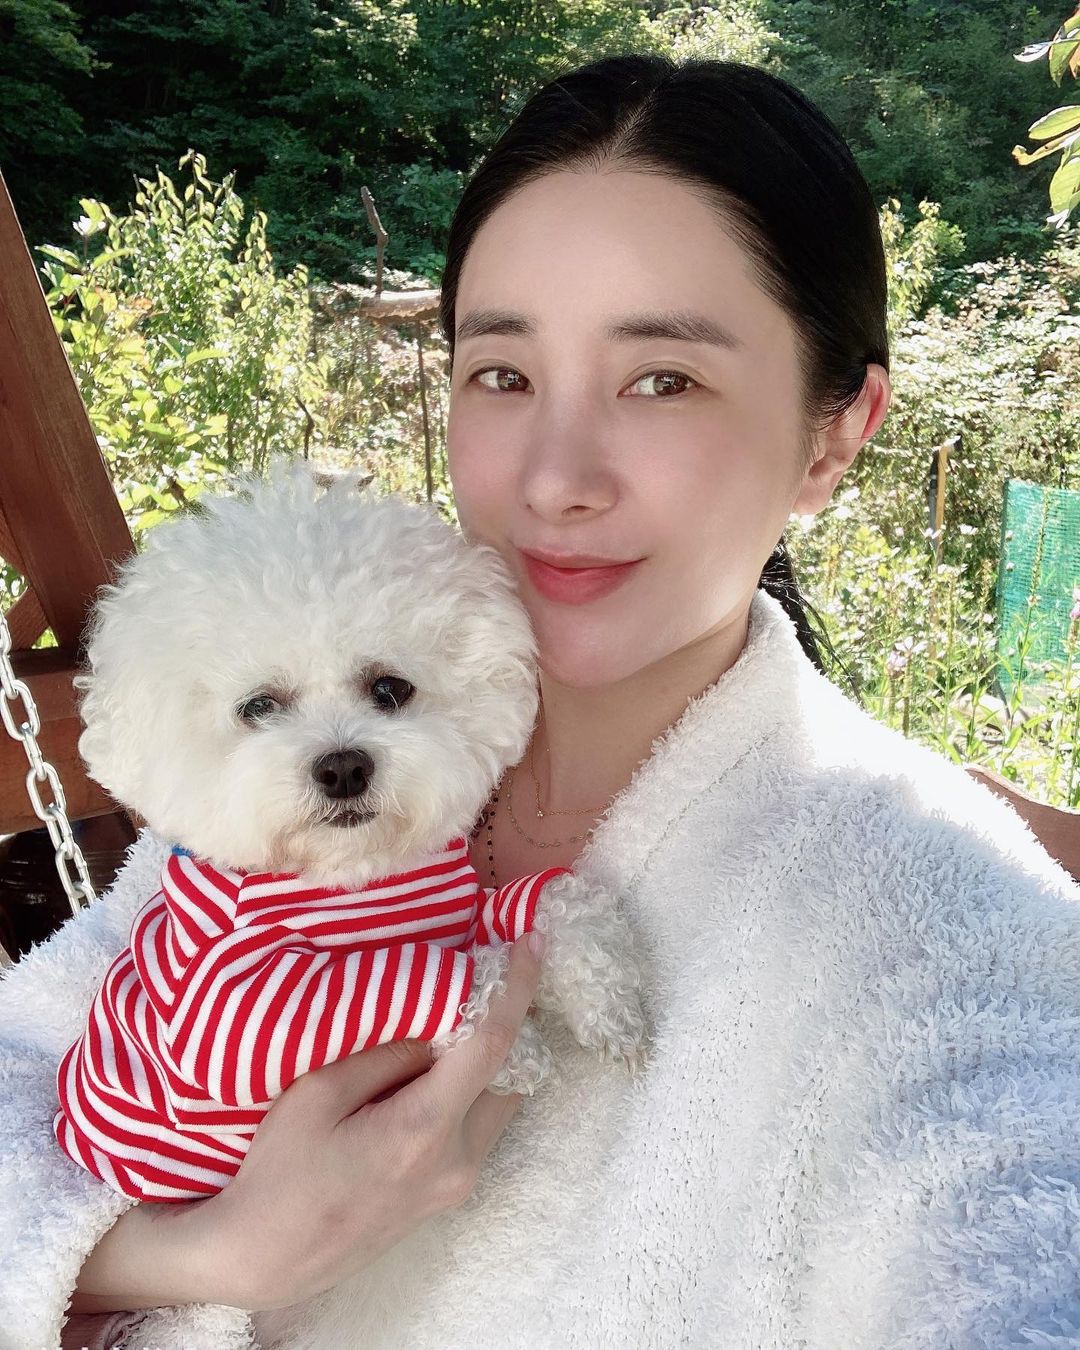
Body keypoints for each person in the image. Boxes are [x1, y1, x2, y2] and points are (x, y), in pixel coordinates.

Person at [3, 52, 1080, 1350]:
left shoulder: (936, 926)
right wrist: (199, 1253)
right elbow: (34, 1059)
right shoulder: (319, 774)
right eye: (504, 374)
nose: (557, 478)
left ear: (837, 430)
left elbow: (1012, 1221)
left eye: (663, 378)